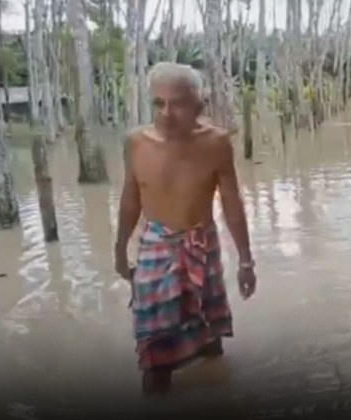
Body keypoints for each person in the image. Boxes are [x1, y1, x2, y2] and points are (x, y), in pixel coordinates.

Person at [114, 62, 257, 395]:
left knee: (210, 336)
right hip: (155, 246)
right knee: (154, 348)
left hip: (201, 242)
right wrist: (120, 248)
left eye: (176, 103)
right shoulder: (136, 142)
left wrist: (246, 261)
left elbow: (232, 204)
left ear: (198, 105)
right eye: (158, 103)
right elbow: (131, 198)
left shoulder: (217, 142)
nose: (166, 113)